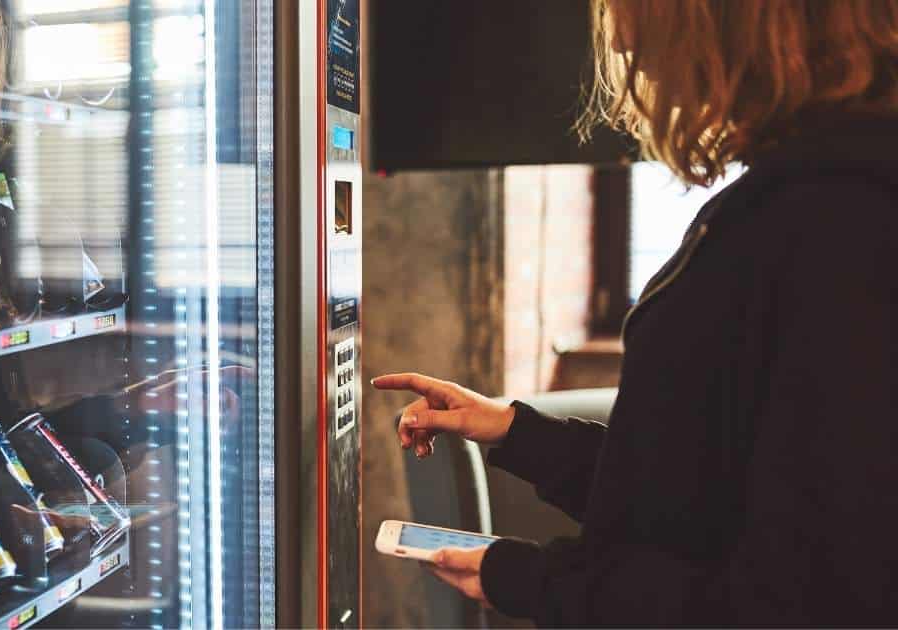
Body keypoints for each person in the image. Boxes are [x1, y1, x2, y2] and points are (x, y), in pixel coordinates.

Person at [372, 0, 898, 625]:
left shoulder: (836, 225)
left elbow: (798, 602)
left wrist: (535, 582)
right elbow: (706, 493)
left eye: (634, 15)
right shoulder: (813, 199)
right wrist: (517, 431)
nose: (619, 42)